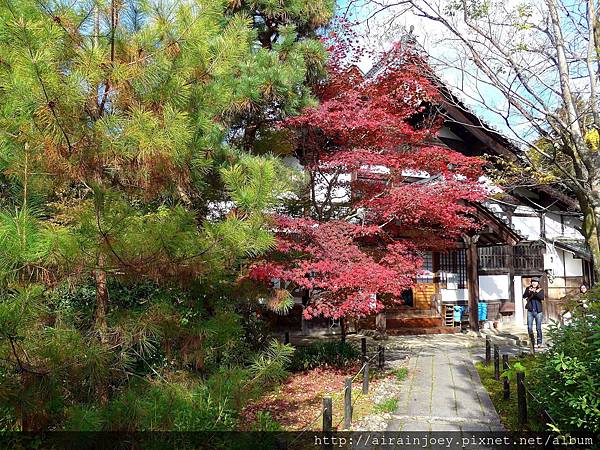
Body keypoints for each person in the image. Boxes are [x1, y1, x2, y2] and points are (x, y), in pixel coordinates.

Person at [523, 277, 544, 347]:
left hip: (538, 311)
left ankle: (539, 342)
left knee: (538, 327)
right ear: (531, 282)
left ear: (538, 283)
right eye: (533, 281)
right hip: (530, 311)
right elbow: (524, 296)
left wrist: (534, 292)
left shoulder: (540, 290)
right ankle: (532, 341)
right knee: (529, 327)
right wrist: (529, 292)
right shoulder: (528, 288)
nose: (534, 283)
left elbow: (541, 297)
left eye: (536, 282)